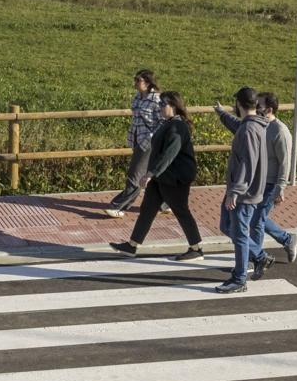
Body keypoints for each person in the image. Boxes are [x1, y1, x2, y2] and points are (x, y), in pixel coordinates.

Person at [109, 91, 204, 261]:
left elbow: (169, 154)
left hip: (175, 178)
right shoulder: (167, 123)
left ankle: (196, 248)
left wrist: (151, 173)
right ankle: (132, 245)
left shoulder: (178, 127)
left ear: (173, 106)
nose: (159, 107)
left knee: (181, 210)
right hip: (162, 177)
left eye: (163, 105)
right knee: (147, 210)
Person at [215, 87, 270, 294]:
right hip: (242, 190)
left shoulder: (249, 129)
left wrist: (235, 192)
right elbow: (238, 126)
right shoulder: (252, 125)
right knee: (226, 225)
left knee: (238, 234)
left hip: (244, 193)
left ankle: (239, 279)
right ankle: (260, 256)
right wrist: (222, 114)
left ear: (239, 103)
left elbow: (247, 163)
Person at [104, 70, 163, 218]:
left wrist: (149, 138)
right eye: (135, 79)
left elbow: (163, 122)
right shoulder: (138, 96)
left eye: (138, 80)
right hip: (137, 139)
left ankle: (119, 206)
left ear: (148, 82)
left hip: (148, 143)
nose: (135, 83)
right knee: (153, 175)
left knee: (135, 175)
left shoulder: (157, 99)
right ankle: (166, 203)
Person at [256, 92, 297, 263]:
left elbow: (285, 162)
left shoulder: (280, 131)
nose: (255, 108)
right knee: (256, 219)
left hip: (271, 183)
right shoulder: (258, 125)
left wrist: (280, 188)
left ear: (269, 109)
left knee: (257, 220)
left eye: (259, 105)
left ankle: (256, 258)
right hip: (257, 182)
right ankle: (287, 239)